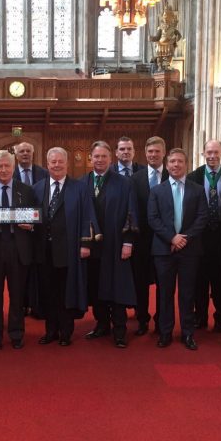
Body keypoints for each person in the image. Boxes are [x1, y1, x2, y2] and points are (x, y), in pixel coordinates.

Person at [33, 147, 97, 346]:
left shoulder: (79, 188)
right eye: (53, 162)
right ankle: (50, 330)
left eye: (60, 161)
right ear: (47, 164)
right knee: (48, 292)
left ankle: (65, 332)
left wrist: (85, 244)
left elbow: (88, 216)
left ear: (67, 163)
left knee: (65, 292)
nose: (57, 165)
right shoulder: (38, 187)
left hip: (68, 250)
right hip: (44, 251)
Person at [0, 150, 36, 349]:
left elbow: (35, 216)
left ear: (13, 167)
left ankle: (16, 334)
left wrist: (32, 225)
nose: (3, 170)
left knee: (17, 295)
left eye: (7, 166)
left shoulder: (26, 190)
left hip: (18, 248)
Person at [148, 148, 208, 350]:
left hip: (190, 250)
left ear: (186, 164)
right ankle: (165, 333)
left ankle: (188, 333)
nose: (175, 165)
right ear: (167, 165)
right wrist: (171, 238)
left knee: (187, 293)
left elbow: (202, 218)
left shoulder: (197, 190)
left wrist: (184, 239)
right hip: (164, 250)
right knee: (165, 293)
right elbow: (153, 219)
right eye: (172, 161)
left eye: (179, 161)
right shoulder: (157, 191)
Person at [84, 141, 137, 348]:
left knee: (117, 287)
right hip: (92, 247)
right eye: (96, 156)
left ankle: (120, 329)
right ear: (91, 158)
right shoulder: (84, 182)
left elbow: (131, 213)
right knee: (96, 286)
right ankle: (102, 324)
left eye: (103, 156)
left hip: (116, 244)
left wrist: (128, 242)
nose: (99, 160)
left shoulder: (124, 183)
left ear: (110, 158)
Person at [186, 139, 221, 334]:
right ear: (203, 153)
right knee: (200, 279)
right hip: (200, 237)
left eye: (216, 152)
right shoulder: (194, 177)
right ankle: (200, 316)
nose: (212, 156)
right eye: (209, 152)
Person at [130, 136, 169, 336]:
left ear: (164, 152)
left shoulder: (172, 175)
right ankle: (142, 319)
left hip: (165, 239)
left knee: (164, 282)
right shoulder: (135, 178)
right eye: (150, 152)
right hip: (142, 240)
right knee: (141, 282)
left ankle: (162, 320)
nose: (153, 155)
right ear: (145, 153)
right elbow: (132, 210)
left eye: (157, 151)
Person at [12, 141, 48, 319]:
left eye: (28, 151)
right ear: (16, 154)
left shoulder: (44, 173)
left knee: (38, 270)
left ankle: (38, 304)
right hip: (16, 231)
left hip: (38, 229)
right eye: (21, 151)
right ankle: (22, 304)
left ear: (33, 154)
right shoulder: (9, 173)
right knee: (20, 270)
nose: (25, 154)